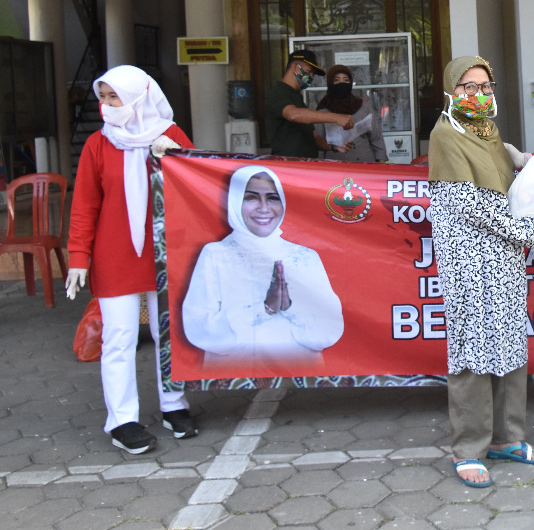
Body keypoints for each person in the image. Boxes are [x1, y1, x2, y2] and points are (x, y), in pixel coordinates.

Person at [428, 56, 534, 488]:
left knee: (509, 342)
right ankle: (469, 448)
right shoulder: (446, 135)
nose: (477, 94)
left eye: (484, 86)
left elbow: (507, 173)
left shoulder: (487, 131)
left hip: (503, 258)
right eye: (467, 87)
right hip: (469, 259)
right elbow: (471, 204)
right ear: (451, 91)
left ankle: (507, 437)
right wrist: (529, 228)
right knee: (474, 349)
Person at [64, 65, 197, 454]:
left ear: (140, 97)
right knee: (119, 337)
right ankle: (122, 420)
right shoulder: (97, 144)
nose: (107, 105)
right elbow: (84, 205)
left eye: (114, 97)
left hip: (165, 251)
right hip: (115, 255)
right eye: (103, 97)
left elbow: (198, 186)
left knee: (167, 333)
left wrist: (178, 159)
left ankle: (174, 405)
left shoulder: (171, 135)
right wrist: (78, 256)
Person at [182, 166, 345, 370]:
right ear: (234, 201)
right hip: (235, 377)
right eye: (251, 198)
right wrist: (264, 309)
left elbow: (329, 330)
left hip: (298, 375)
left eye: (272, 198)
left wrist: (289, 308)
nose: (264, 208)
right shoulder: (215, 254)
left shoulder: (305, 257)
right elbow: (198, 329)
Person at [264, 49, 354, 157]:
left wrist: (335, 146)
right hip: (288, 164)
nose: (311, 77)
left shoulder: (297, 97)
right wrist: (336, 118)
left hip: (306, 164)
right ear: (295, 67)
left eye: (313, 74)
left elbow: (313, 139)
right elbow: (293, 114)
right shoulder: (279, 93)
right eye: (309, 71)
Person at [313, 65, 387, 163]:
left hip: (365, 165)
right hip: (335, 167)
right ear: (330, 83)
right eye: (337, 80)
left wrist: (381, 164)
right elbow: (318, 145)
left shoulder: (364, 108)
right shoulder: (322, 112)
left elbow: (377, 139)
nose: (342, 83)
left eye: (346, 80)